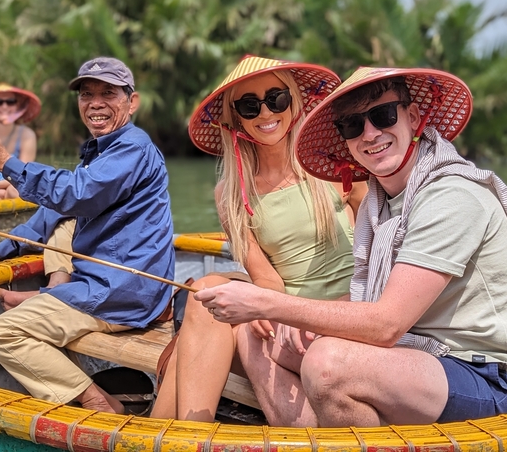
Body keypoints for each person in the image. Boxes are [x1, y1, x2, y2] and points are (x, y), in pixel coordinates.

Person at [194, 67, 507, 427]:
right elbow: (373, 294)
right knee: (261, 340)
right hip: (425, 354)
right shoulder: (380, 202)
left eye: (383, 116)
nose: (370, 134)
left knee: (328, 364)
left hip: (492, 377)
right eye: (353, 125)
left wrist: (269, 303)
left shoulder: (450, 196)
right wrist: (285, 317)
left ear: (413, 118)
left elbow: (386, 324)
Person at [149, 55, 366, 422]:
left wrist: (305, 317)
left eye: (276, 98)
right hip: (285, 316)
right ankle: (186, 437)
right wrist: (269, 310)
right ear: (235, 119)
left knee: (208, 304)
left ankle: (160, 435)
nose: (265, 112)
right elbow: (267, 279)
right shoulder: (230, 194)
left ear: (294, 102)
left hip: (349, 314)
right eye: (250, 105)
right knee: (205, 297)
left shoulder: (337, 164)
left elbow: (376, 260)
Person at [0, 57, 175, 413]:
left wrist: (7, 163)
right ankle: (53, 294)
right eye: (86, 94)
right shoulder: (102, 150)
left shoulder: (133, 147)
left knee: (4, 332)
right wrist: (4, 250)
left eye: (108, 93)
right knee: (64, 224)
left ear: (133, 101)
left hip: (122, 291)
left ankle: (97, 402)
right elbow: (58, 208)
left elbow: (76, 193)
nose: (95, 102)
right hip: (109, 282)